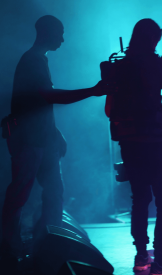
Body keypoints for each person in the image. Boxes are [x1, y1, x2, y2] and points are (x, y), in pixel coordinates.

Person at [0, 15, 114, 267]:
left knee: (50, 193)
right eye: (60, 32)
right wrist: (92, 91)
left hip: (40, 139)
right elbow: (48, 96)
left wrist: (54, 132)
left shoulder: (38, 60)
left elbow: (37, 104)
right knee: (21, 195)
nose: (63, 38)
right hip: (29, 141)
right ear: (47, 32)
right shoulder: (32, 60)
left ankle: (45, 247)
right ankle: (11, 249)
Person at [105, 19, 162, 275]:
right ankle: (161, 264)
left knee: (140, 201)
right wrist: (157, 113)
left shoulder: (117, 67)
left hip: (130, 145)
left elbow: (109, 110)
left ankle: (141, 257)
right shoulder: (158, 63)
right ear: (153, 39)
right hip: (155, 143)